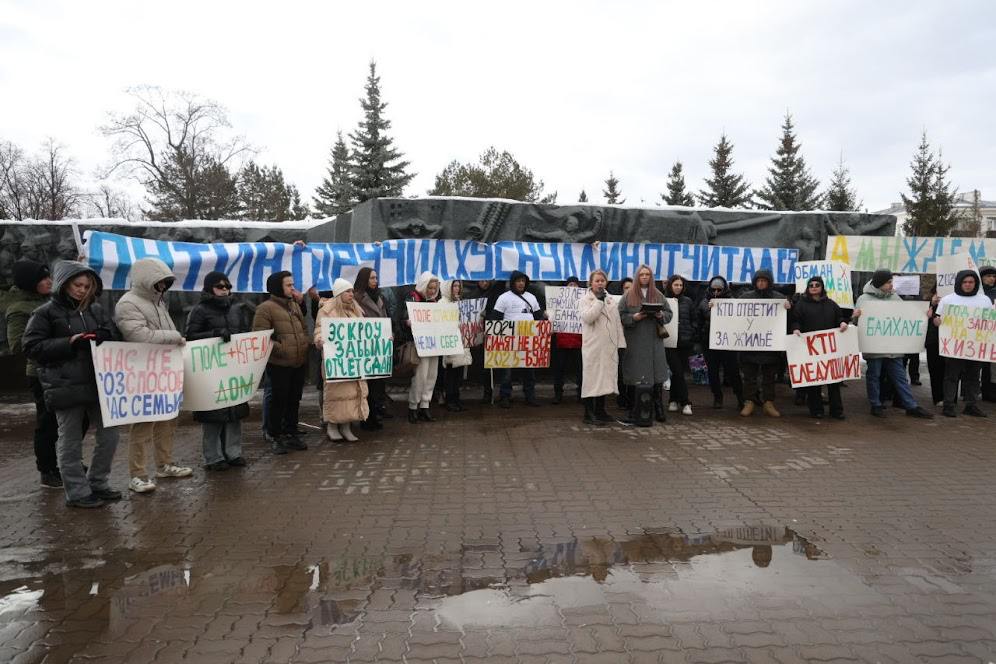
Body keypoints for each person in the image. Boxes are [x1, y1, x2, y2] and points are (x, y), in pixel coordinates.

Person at [22, 261, 120, 508]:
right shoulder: (44, 313)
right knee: (70, 440)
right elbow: (31, 347)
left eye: (87, 286)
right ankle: (77, 492)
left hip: (98, 383)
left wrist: (105, 335)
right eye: (77, 285)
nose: (82, 290)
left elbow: (114, 335)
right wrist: (69, 343)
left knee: (110, 435)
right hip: (64, 385)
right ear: (64, 284)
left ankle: (98, 482)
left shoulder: (96, 310)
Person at [114, 258, 192, 493]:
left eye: (166, 282)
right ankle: (137, 474)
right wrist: (175, 337)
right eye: (160, 281)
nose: (163, 286)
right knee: (143, 425)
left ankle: (164, 464)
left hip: (164, 370)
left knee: (168, 420)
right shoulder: (128, 303)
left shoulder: (158, 302)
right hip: (143, 371)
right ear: (146, 280)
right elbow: (139, 336)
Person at [183, 271, 248, 471]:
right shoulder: (200, 310)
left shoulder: (235, 309)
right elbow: (191, 336)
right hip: (210, 370)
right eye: (220, 286)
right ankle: (213, 457)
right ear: (209, 288)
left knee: (234, 413)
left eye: (227, 286)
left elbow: (244, 333)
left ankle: (233, 452)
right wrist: (214, 334)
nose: (225, 290)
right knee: (213, 416)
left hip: (232, 368)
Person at [6, 260, 62, 488]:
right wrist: (56, 343)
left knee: (75, 419)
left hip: (63, 369)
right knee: (47, 423)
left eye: (49, 276)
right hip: (41, 373)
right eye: (43, 278)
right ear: (31, 283)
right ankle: (47, 469)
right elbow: (18, 346)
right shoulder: (18, 309)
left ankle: (68, 462)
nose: (49, 281)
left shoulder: (52, 301)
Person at [851, 269, 934, 419]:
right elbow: (858, 322)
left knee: (900, 377)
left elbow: (906, 315)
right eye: (888, 282)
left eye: (891, 282)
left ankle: (911, 405)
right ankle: (875, 404)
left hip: (894, 347)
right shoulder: (864, 299)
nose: (891, 285)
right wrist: (855, 317)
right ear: (879, 283)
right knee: (874, 375)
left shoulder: (894, 297)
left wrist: (923, 315)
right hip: (874, 347)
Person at [252, 270, 311, 454]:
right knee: (278, 401)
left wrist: (304, 343)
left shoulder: (293, 305)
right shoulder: (265, 308)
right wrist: (282, 348)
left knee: (294, 400)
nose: (293, 288)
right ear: (278, 286)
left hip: (298, 362)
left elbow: (302, 327)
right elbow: (261, 337)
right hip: (279, 364)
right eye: (289, 285)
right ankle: (275, 435)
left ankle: (291, 432)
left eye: (293, 284)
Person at [932, 269, 993, 418]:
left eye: (971, 282)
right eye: (964, 282)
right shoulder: (948, 299)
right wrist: (937, 321)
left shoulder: (984, 300)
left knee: (973, 376)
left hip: (975, 345)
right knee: (951, 376)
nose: (967, 285)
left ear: (976, 283)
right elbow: (937, 319)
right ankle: (948, 405)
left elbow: (989, 321)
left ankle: (971, 405)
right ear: (959, 282)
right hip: (955, 346)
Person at [315, 278, 370, 441]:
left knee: (352, 393)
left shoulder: (356, 310)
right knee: (336, 394)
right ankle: (332, 426)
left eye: (352, 291)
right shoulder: (326, 310)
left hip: (354, 362)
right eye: (347, 291)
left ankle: (346, 426)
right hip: (336, 362)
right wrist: (319, 340)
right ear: (339, 293)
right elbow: (319, 329)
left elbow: (365, 332)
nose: (351, 294)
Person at [618, 265, 672, 423]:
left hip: (654, 340)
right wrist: (634, 318)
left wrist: (660, 314)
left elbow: (669, 313)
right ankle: (634, 408)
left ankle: (657, 407)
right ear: (637, 276)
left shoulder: (658, 294)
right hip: (635, 340)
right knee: (635, 373)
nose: (644, 277)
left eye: (647, 274)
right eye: (641, 274)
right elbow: (620, 314)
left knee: (656, 374)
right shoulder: (628, 295)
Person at [734, 269, 791, 418]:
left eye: (764, 281)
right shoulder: (745, 298)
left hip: (770, 346)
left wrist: (788, 308)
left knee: (769, 377)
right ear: (754, 282)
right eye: (758, 281)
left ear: (769, 282)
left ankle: (768, 403)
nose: (761, 283)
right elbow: (732, 314)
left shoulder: (779, 299)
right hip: (749, 345)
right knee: (749, 376)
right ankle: (749, 402)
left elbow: (788, 319)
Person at [791, 275, 848, 419]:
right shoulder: (801, 304)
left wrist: (842, 323)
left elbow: (839, 317)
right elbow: (796, 320)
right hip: (811, 348)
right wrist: (796, 329)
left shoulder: (831, 304)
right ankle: (816, 409)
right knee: (814, 381)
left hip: (829, 348)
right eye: (811, 285)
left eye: (817, 285)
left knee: (833, 381)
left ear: (822, 287)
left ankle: (837, 411)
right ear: (808, 288)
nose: (814, 287)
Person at [492, 270, 546, 409]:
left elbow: (538, 316)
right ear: (513, 283)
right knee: (507, 371)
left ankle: (530, 396)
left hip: (528, 341)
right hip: (509, 341)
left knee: (529, 371)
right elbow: (496, 319)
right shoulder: (504, 298)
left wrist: (546, 318)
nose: (521, 283)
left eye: (523, 281)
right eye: (518, 281)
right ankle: (505, 396)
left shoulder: (532, 297)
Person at [580, 269, 625, 425]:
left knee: (605, 379)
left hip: (608, 347)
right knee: (592, 378)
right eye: (597, 281)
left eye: (602, 280)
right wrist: (598, 301)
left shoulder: (611, 299)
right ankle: (588, 413)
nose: (600, 283)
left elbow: (617, 322)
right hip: (593, 346)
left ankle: (600, 410)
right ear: (591, 283)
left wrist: (621, 343)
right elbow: (588, 317)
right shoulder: (585, 299)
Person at [697, 276, 745, 410]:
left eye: (719, 290)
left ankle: (740, 396)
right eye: (713, 290)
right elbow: (699, 320)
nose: (716, 292)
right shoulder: (704, 302)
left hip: (728, 343)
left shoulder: (732, 301)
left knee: (733, 371)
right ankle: (717, 396)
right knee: (713, 372)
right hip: (709, 342)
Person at [353, 267, 390, 429]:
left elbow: (385, 317)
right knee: (367, 385)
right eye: (372, 278)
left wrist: (389, 332)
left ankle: (375, 414)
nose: (375, 281)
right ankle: (366, 418)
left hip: (380, 347)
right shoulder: (357, 298)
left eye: (376, 278)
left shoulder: (380, 297)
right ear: (364, 280)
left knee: (378, 385)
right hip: (365, 348)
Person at [403, 271, 442, 422]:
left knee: (432, 375)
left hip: (434, 344)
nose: (432, 291)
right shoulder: (413, 298)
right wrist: (408, 321)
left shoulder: (434, 303)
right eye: (430, 288)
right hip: (420, 345)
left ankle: (425, 405)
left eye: (434, 288)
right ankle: (413, 407)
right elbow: (404, 316)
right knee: (420, 377)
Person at [663, 274, 696, 416]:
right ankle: (686, 402)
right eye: (676, 285)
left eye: (680, 285)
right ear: (670, 285)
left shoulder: (688, 301)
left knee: (679, 373)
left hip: (684, 342)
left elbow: (694, 319)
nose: (678, 287)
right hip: (670, 342)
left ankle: (673, 400)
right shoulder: (664, 300)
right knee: (677, 372)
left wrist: (691, 333)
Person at [551, 276, 584, 404]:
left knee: (581, 370)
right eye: (570, 284)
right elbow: (552, 316)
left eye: (575, 285)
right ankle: (558, 394)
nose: (572, 287)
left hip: (579, 341)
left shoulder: (585, 300)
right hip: (562, 341)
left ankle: (581, 394)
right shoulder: (558, 301)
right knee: (559, 370)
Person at [440, 279, 471, 412]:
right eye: (454, 286)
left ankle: (456, 399)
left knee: (458, 373)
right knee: (451, 373)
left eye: (459, 286)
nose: (457, 288)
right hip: (450, 342)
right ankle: (450, 400)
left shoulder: (460, 302)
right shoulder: (442, 303)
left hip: (461, 341)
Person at [923, 287, 945, 407]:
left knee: (948, 371)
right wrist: (931, 305)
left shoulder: (954, 301)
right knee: (935, 370)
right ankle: (938, 397)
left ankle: (949, 397)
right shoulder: (928, 304)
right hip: (933, 341)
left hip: (949, 341)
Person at [979, 265, 996, 402]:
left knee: (989, 365)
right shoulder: (976, 293)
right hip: (976, 333)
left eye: (994, 276)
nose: (992, 279)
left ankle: (988, 391)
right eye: (988, 276)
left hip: (992, 334)